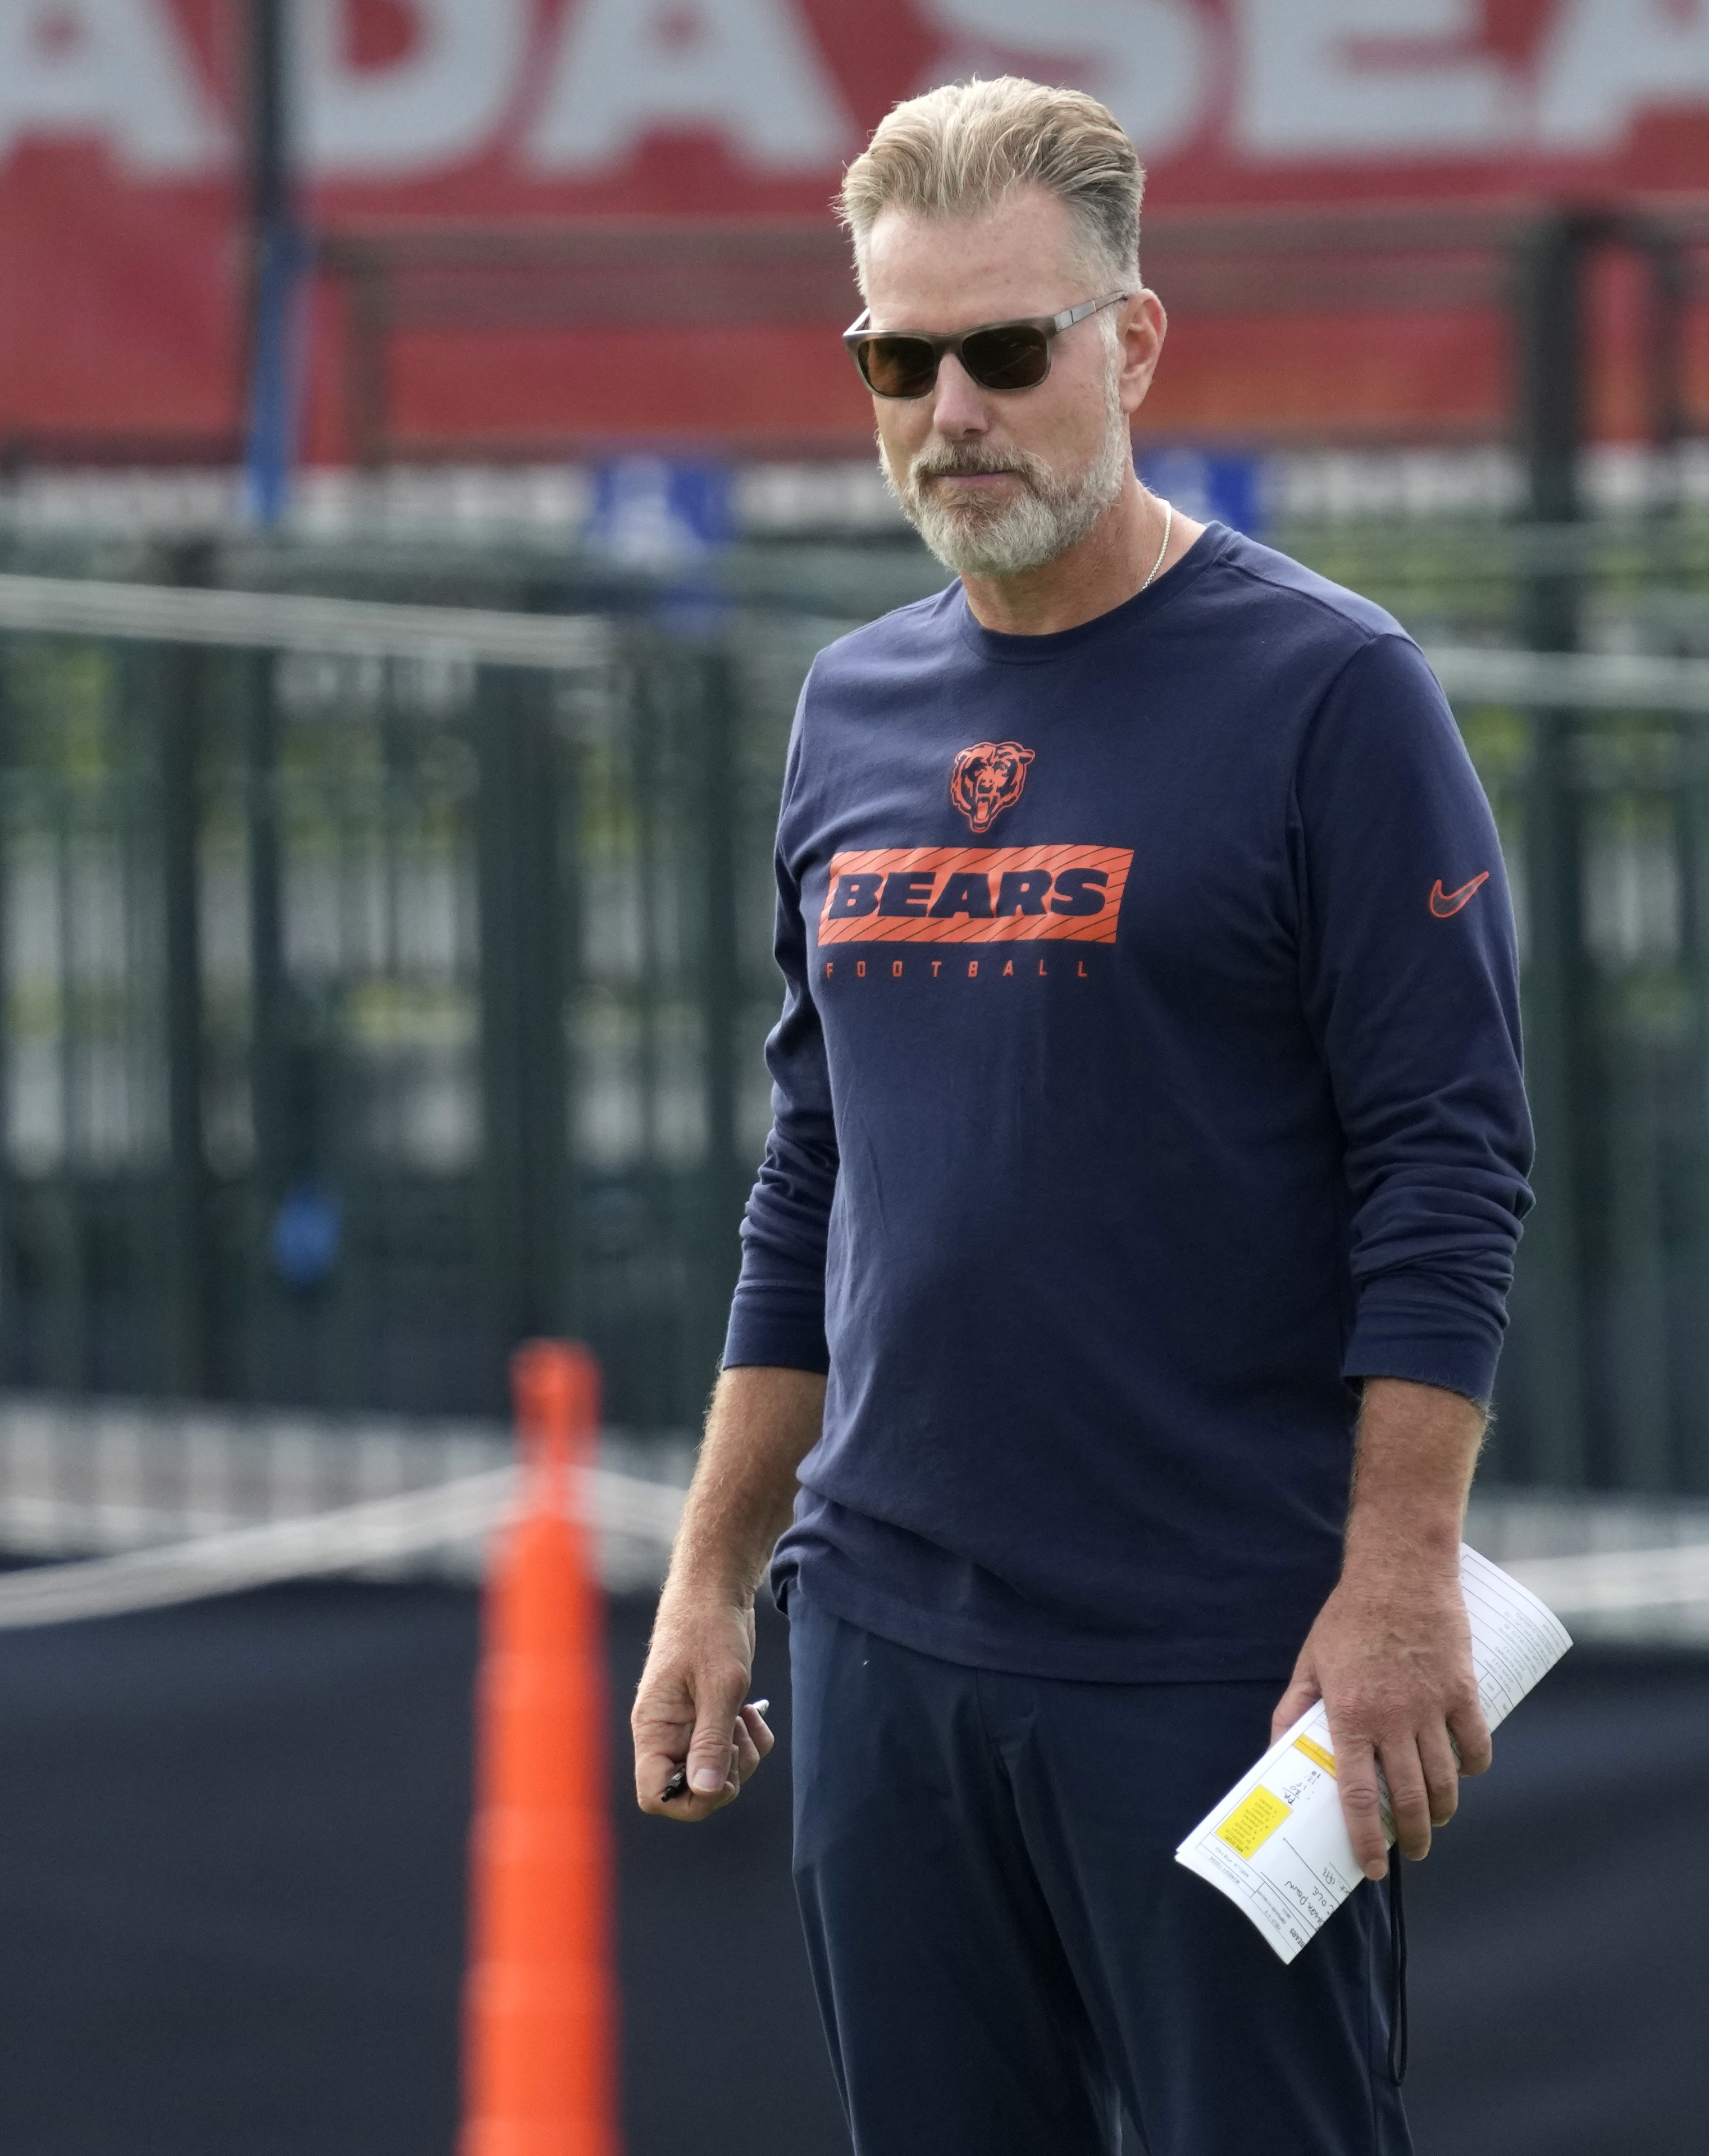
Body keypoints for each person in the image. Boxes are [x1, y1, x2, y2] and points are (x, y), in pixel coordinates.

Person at [628, 76, 1533, 2156]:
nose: (952, 408)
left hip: (1217, 1656)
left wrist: (1396, 1587)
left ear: (1130, 345)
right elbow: (814, 1164)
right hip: (885, 1639)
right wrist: (713, 1575)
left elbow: (1449, 1161)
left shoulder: (1332, 694)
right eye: (895, 357)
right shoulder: (848, 705)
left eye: (1006, 350)